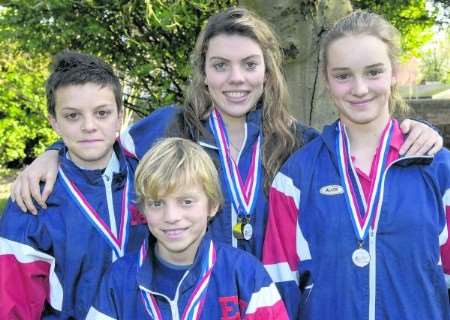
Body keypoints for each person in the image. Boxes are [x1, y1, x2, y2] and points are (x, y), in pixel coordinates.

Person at [10, 8, 442, 260]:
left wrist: (416, 130)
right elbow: (97, 142)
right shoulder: (164, 128)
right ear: (204, 71)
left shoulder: (300, 144)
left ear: (268, 71)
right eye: (221, 65)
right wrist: (50, 153)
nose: (236, 79)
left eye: (249, 64)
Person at [263, 10, 450, 319]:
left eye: (373, 72)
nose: (360, 88)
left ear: (394, 74)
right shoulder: (297, 176)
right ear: (326, 80)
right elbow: (279, 287)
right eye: (343, 75)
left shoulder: (438, 169)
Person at [0, 51, 147, 319]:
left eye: (102, 113)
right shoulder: (33, 199)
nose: (89, 126)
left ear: (119, 115)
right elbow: (14, 306)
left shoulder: (150, 178)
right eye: (72, 116)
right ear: (54, 121)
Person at [86, 137, 288, 319]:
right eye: (157, 203)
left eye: (187, 202)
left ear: (212, 205)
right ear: (143, 210)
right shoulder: (120, 278)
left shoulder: (245, 274)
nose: (172, 217)